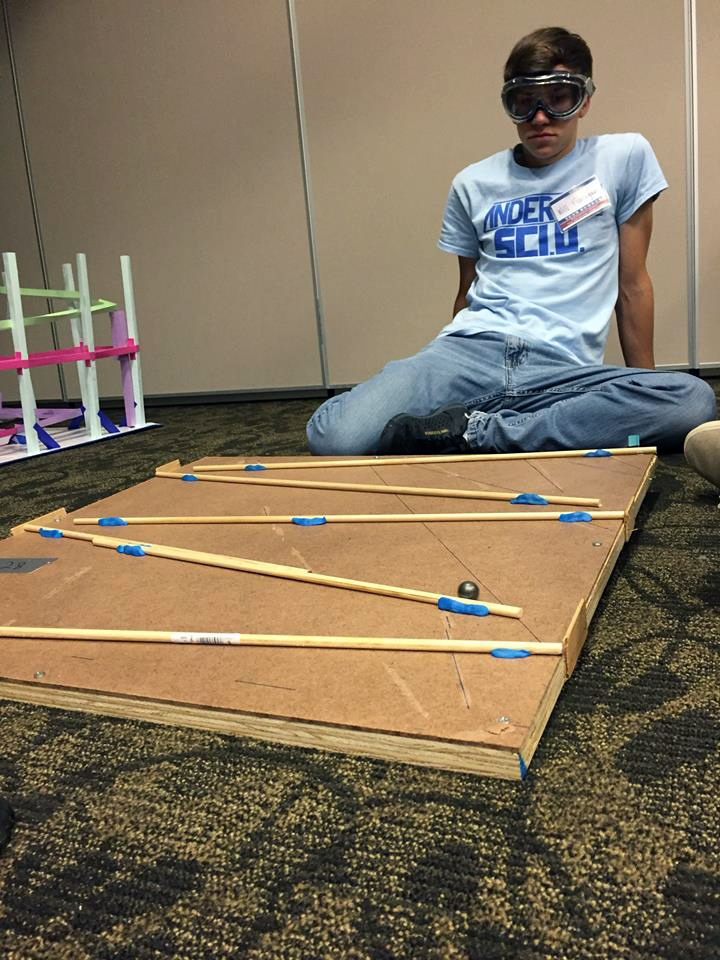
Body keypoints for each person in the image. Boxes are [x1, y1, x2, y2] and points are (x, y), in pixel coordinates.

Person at [306, 26, 716, 456]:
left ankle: (475, 433)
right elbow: (466, 291)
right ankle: (500, 425)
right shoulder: (473, 182)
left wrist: (641, 389)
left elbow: (631, 287)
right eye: (524, 102)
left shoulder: (624, 158)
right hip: (469, 350)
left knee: (690, 400)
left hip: (560, 368)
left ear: (585, 100)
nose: (539, 117)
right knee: (335, 437)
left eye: (558, 98)